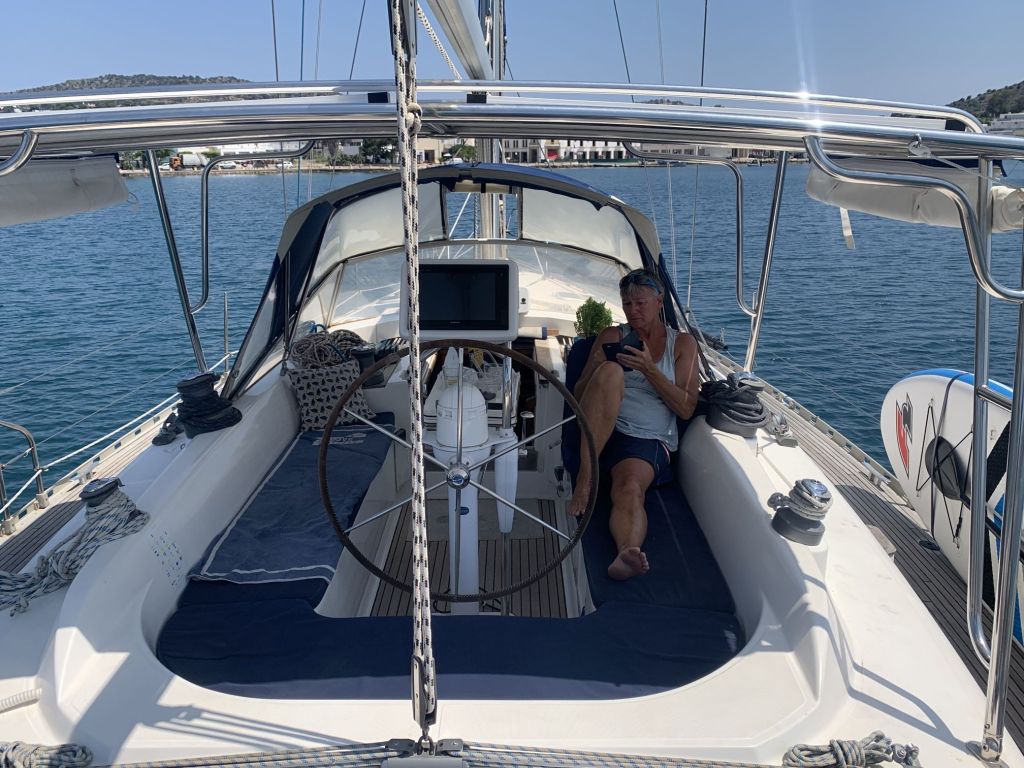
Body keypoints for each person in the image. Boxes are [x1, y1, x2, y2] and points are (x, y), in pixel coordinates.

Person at [567, 268, 700, 580]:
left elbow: (685, 408)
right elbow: (577, 397)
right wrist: (596, 366)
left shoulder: (682, 345)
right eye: (627, 304)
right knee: (611, 372)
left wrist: (649, 369)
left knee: (628, 487)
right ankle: (586, 478)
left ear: (659, 302)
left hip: (645, 438)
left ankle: (627, 552)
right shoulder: (612, 336)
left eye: (640, 303)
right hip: (599, 428)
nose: (633, 310)